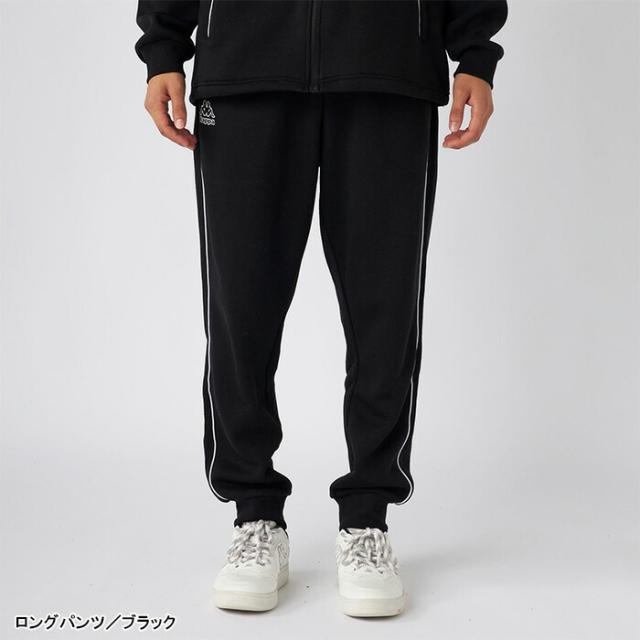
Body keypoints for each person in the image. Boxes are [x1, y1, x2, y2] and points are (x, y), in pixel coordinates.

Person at [135, 0, 507, 617]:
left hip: (388, 66)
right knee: (239, 310)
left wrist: (475, 52)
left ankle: (367, 520)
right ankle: (254, 515)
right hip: (244, 68)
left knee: (385, 310)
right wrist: (163, 49)